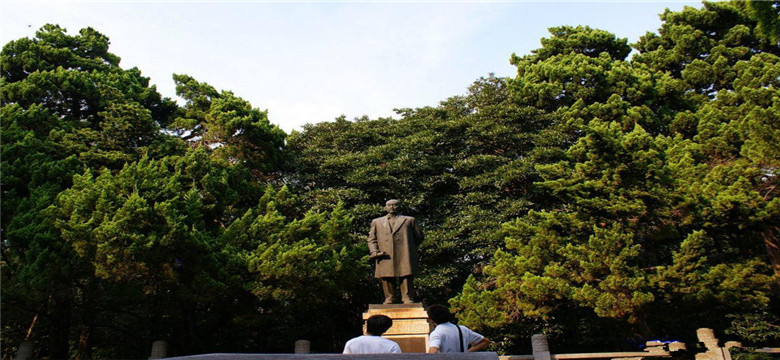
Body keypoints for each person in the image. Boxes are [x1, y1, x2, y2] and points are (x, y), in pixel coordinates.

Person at [367, 199, 423, 304]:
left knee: (406, 275)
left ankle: (407, 298)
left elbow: (419, 237)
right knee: (386, 276)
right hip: (385, 253)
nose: (392, 207)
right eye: (389, 205)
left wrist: (409, 246)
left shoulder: (409, 220)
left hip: (404, 252)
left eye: (394, 205)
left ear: (399, 206)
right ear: (385, 207)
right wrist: (374, 251)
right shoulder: (377, 222)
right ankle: (389, 298)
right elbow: (371, 239)